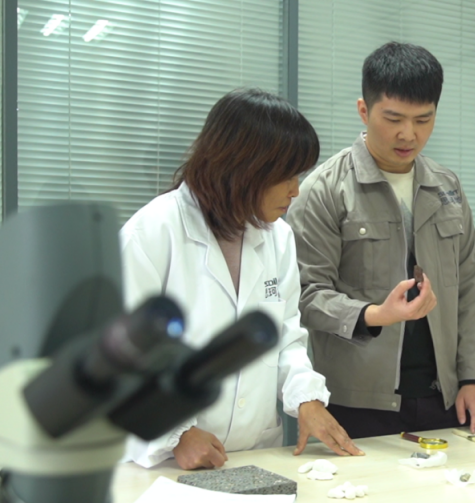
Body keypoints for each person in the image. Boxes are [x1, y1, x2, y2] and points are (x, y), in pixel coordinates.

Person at [121, 88, 362, 469]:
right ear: (244, 168)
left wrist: (306, 398)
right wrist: (177, 433)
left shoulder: (278, 237)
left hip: (254, 454)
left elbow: (285, 337)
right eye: (286, 176)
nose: (296, 190)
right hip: (162, 462)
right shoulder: (151, 234)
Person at [286, 42, 475, 438]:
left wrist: (472, 378)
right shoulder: (324, 189)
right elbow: (305, 295)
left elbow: (470, 289)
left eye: (423, 120)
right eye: (394, 118)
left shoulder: (447, 186)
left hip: (444, 397)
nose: (408, 134)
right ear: (364, 111)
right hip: (358, 401)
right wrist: (373, 314)